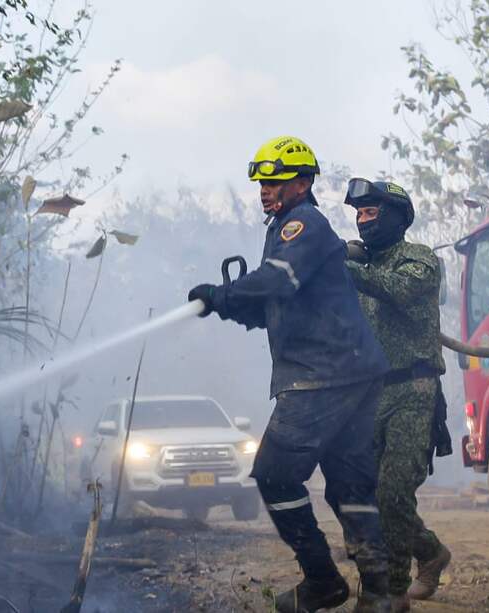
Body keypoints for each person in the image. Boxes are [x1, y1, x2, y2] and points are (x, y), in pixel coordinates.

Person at [188, 136, 392, 612]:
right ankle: (381, 594)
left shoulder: (303, 223)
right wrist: (231, 308)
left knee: (276, 475)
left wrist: (224, 293)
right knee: (348, 485)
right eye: (262, 181)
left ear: (302, 182)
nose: (265, 189)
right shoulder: (289, 227)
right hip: (351, 373)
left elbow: (276, 280)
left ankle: (322, 580)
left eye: (275, 181)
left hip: (323, 375)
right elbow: (276, 303)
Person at [344, 178, 452, 611]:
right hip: (371, 395)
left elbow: (396, 290)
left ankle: (390, 593)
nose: (364, 220)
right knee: (372, 495)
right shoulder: (360, 269)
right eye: (359, 214)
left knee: (393, 491)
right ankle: (429, 552)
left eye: (372, 213)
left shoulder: (419, 259)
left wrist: (344, 266)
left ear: (395, 217)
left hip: (414, 389)